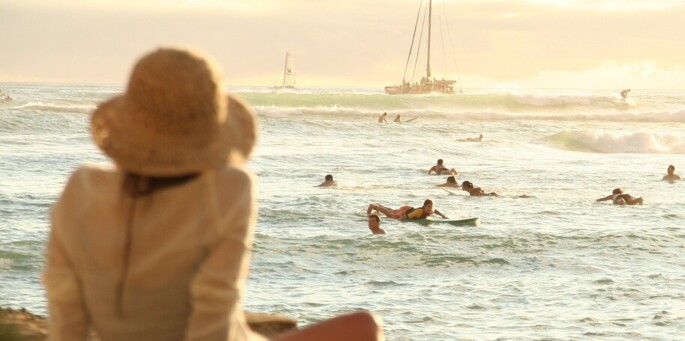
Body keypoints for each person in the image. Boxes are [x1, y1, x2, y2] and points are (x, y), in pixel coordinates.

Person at [42, 47, 382, 341]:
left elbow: (66, 317)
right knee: (365, 326)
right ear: (210, 130)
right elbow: (212, 322)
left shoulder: (81, 189)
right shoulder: (228, 189)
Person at [366, 198, 447, 220]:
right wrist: (397, 223)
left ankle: (380, 206)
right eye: (428, 207)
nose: (430, 208)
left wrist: (443, 216)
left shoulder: (428, 211)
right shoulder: (420, 212)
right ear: (424, 206)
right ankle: (373, 206)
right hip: (404, 212)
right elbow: (403, 217)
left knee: (393, 211)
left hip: (408, 209)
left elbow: (435, 211)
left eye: (431, 206)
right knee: (391, 215)